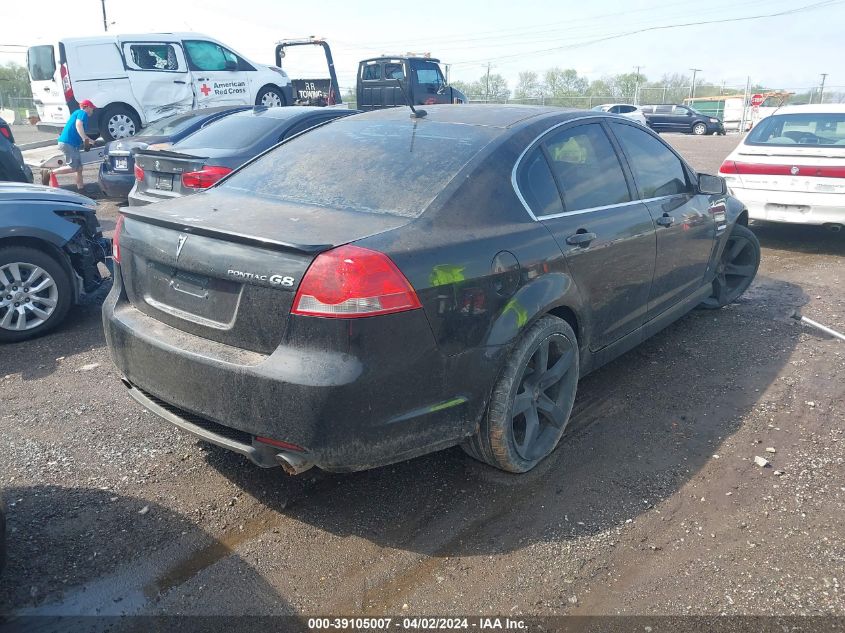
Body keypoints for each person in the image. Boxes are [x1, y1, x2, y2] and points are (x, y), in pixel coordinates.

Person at [50, 100, 96, 191]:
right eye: (91, 108)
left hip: (71, 144)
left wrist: (87, 143)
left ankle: (81, 188)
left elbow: (79, 132)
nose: (92, 110)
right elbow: (78, 125)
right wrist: (85, 139)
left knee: (79, 168)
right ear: (86, 107)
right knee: (73, 167)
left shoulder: (78, 113)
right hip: (68, 143)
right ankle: (50, 173)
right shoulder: (82, 113)